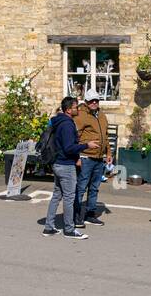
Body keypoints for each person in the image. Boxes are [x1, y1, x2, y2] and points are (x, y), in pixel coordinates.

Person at [44, 96, 97, 239]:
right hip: (65, 165)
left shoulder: (59, 121)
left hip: (57, 163)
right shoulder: (67, 124)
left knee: (57, 195)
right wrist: (87, 145)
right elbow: (69, 148)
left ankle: (49, 227)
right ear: (68, 110)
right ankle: (69, 229)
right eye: (75, 107)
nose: (78, 109)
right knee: (69, 197)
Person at [74, 90, 111, 228]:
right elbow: (75, 137)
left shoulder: (101, 115)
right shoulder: (81, 115)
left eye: (96, 100)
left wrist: (108, 153)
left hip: (98, 158)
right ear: (86, 102)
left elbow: (105, 136)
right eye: (91, 101)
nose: (94, 102)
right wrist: (76, 156)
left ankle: (90, 214)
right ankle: (76, 215)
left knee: (94, 188)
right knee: (81, 187)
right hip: (85, 157)